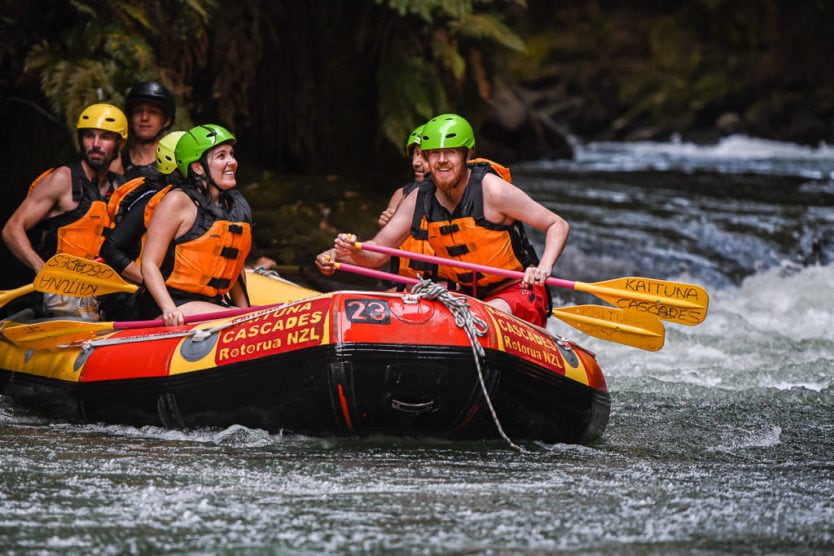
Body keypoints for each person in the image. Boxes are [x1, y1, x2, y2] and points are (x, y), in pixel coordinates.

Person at [316, 113, 569, 327]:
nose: (442, 160)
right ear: (426, 159)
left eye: (450, 153)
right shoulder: (419, 198)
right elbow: (377, 254)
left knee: (480, 316)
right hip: (462, 294)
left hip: (516, 290)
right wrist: (344, 252)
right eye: (434, 154)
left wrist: (544, 267)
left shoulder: (493, 191)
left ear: (466, 155)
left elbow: (557, 224)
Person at [2, 103, 128, 319]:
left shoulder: (121, 188)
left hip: (102, 293)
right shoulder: (63, 179)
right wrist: (43, 270)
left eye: (105, 137)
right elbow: (12, 229)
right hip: (60, 294)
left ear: (120, 143)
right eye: (89, 136)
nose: (95, 144)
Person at [138, 124, 252, 326]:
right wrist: (168, 308)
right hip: (172, 304)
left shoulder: (232, 207)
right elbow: (149, 263)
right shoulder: (177, 202)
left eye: (232, 154)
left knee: (248, 318)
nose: (232, 162)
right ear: (198, 167)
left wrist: (246, 310)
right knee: (243, 320)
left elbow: (233, 266)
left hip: (210, 302)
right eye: (221, 156)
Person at [101, 130, 186, 286]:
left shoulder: (197, 199)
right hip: (142, 292)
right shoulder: (153, 198)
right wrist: (156, 286)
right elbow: (110, 249)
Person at [110, 80, 176, 180]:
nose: (144, 118)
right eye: (138, 111)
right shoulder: (116, 161)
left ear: (166, 121)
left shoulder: (177, 163)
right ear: (131, 118)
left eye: (153, 112)